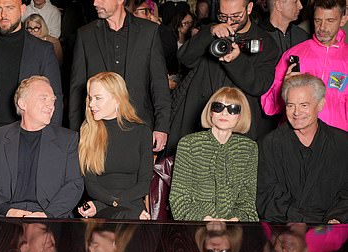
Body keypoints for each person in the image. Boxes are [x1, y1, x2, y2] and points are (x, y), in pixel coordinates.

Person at [168, 0, 279, 151]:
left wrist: (236, 61)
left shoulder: (265, 42)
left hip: (237, 132)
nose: (229, 22)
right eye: (223, 16)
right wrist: (210, 31)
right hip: (197, 123)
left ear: (249, 8)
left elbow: (260, 85)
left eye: (235, 16)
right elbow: (185, 58)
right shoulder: (211, 31)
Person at [0, 0, 62, 158]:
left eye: (9, 8)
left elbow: (55, 97)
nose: (3, 15)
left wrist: (51, 139)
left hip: (31, 136)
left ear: (22, 10)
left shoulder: (43, 50)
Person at [69, 0, 171, 153]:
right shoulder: (86, 35)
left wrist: (161, 127)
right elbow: (77, 89)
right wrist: (76, 134)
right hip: (98, 133)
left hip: (139, 129)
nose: (95, 3)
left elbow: (159, 85)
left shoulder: (148, 32)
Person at [0, 76, 83, 218]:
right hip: (7, 216)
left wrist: (47, 215)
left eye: (53, 100)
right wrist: (6, 210)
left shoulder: (67, 140)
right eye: (43, 98)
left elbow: (74, 184)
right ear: (23, 104)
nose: (51, 105)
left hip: (51, 217)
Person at [257, 74, 348, 223]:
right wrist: (301, 218)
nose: (296, 113)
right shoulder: (268, 144)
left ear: (320, 104)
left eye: (304, 105)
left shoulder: (342, 143)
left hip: (331, 231)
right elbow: (265, 196)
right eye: (290, 105)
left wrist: (337, 217)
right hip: (283, 231)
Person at [170, 87, 259, 221]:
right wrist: (206, 220)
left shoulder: (249, 148)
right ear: (211, 112)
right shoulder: (189, 144)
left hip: (233, 226)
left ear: (241, 115)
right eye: (218, 107)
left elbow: (247, 201)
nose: (224, 113)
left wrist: (233, 221)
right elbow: (179, 198)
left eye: (233, 108)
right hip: (196, 224)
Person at [261, 0, 348, 132]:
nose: (322, 27)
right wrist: (282, 87)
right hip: (294, 138)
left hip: (336, 141)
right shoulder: (294, 54)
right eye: (318, 20)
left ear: (343, 20)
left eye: (330, 21)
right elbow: (268, 107)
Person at [77, 72, 152, 220]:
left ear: (118, 99)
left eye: (98, 98)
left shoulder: (142, 132)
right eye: (90, 98)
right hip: (102, 205)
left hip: (131, 203)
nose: (91, 104)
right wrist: (109, 204)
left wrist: (117, 204)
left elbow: (144, 184)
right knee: (126, 217)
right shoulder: (88, 132)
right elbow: (91, 185)